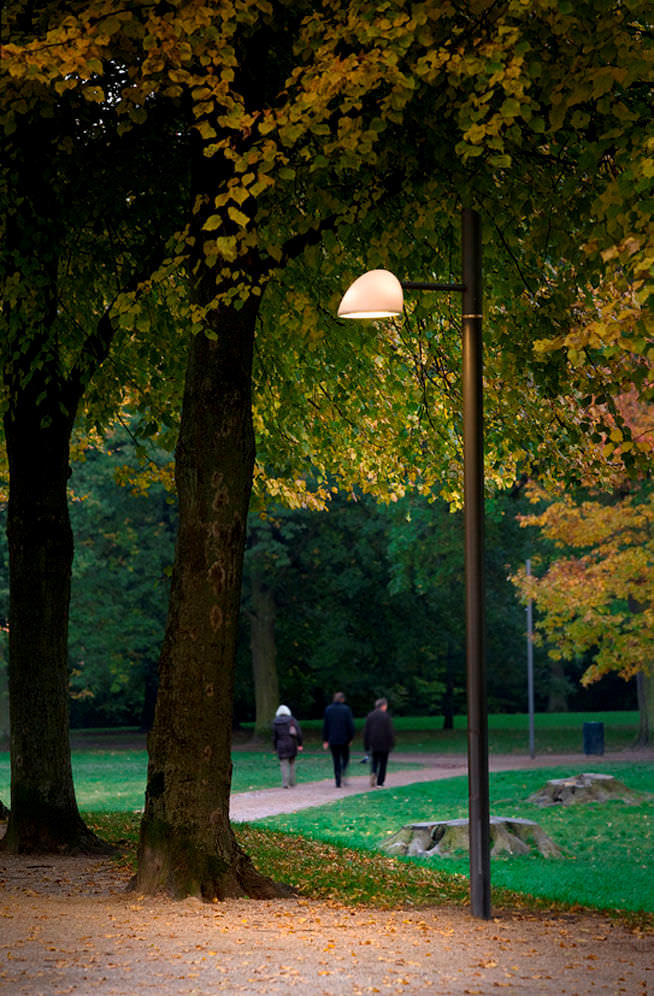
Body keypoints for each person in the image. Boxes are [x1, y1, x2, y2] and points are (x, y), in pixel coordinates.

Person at [322, 691, 355, 787]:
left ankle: (337, 781)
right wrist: (350, 738)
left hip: (333, 739)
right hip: (344, 739)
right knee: (345, 758)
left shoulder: (328, 710)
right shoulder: (346, 709)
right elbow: (350, 725)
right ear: (342, 699)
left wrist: (325, 739)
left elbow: (326, 726)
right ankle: (342, 771)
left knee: (336, 760)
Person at [363, 697, 395, 787]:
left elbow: (366, 731)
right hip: (384, 744)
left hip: (373, 743)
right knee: (383, 763)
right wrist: (392, 743)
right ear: (383, 706)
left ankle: (373, 772)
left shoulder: (370, 716)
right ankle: (380, 782)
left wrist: (366, 745)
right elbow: (390, 731)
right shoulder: (386, 716)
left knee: (374, 761)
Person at [272, 705, 303, 788]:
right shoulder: (292, 720)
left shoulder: (275, 722)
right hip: (292, 744)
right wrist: (300, 744)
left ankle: (285, 783)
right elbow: (299, 733)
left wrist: (274, 747)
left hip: (281, 745)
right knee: (292, 763)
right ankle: (292, 782)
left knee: (283, 764)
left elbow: (274, 736)